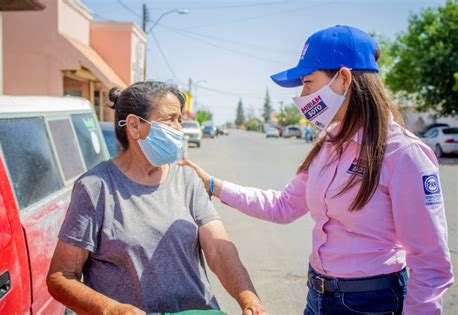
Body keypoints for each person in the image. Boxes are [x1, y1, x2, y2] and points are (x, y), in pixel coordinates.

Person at [179, 25, 454, 314]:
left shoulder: (403, 153)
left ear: (344, 78)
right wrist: (212, 185)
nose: (302, 94)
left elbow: (431, 265)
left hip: (374, 302)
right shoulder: (328, 142)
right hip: (318, 298)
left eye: (308, 82)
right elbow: (283, 206)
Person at [47, 81, 266, 315]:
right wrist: (111, 309)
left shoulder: (187, 180)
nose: (179, 129)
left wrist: (249, 298)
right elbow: (61, 276)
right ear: (134, 126)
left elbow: (219, 251)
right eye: (169, 119)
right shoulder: (95, 188)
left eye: (179, 120)